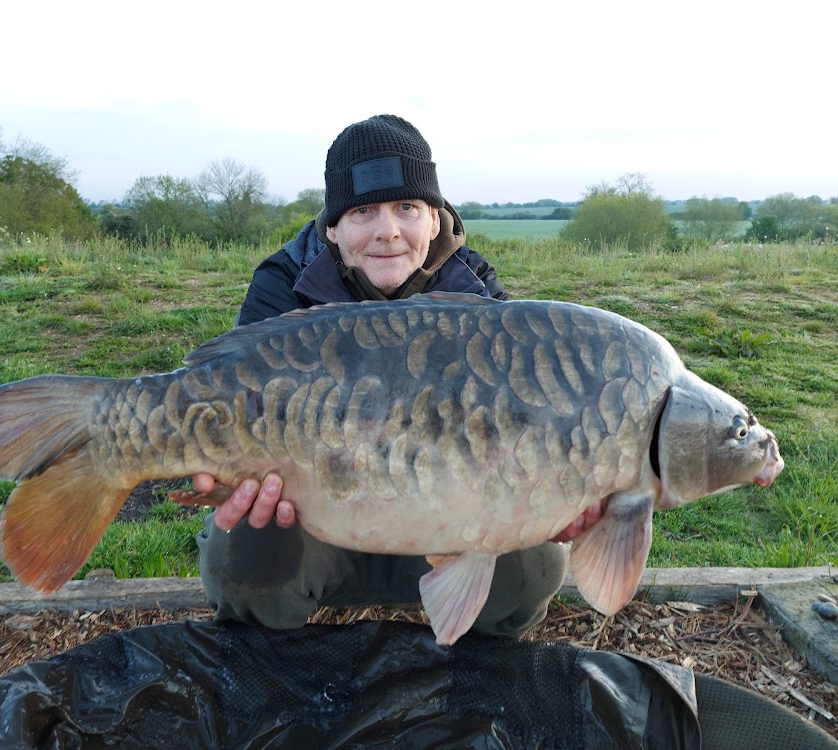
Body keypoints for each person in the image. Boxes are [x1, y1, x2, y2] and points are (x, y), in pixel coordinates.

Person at [194, 114, 583, 639]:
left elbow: (522, 424)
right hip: (315, 522)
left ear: (435, 217)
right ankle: (270, 655)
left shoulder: (475, 293)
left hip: (442, 523)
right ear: (332, 226)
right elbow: (230, 409)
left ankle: (475, 661)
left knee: (536, 559)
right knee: (239, 549)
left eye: (407, 207)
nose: (388, 231)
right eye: (363, 211)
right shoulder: (282, 287)